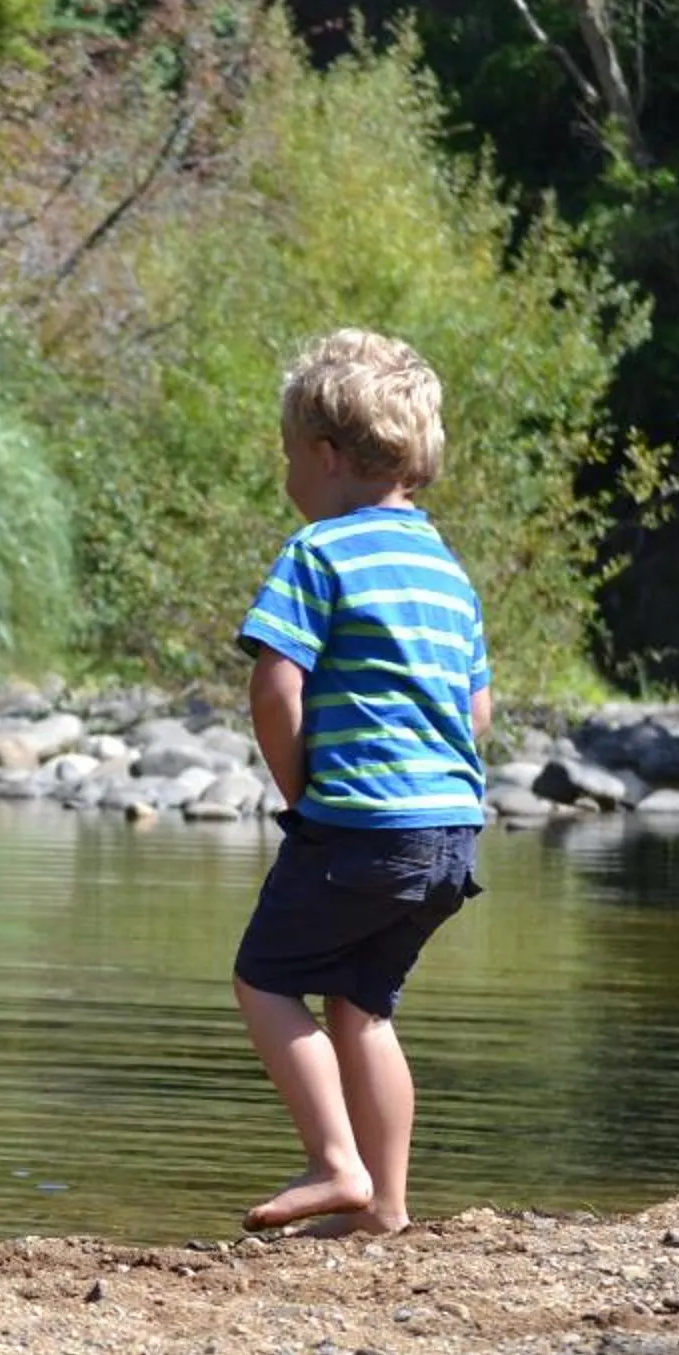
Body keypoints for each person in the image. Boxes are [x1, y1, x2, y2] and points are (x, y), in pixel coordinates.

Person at [231, 328, 491, 1239]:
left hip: (360, 828)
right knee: (364, 1006)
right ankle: (386, 1206)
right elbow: (478, 710)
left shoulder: (318, 553)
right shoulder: (447, 574)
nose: (287, 474)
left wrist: (300, 791)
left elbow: (275, 685)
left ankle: (332, 1160)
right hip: (451, 836)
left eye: (289, 454)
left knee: (265, 980)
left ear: (328, 456)